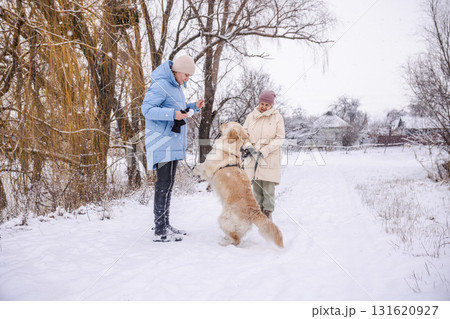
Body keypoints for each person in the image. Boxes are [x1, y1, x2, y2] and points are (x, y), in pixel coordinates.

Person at [141, 55, 205, 242]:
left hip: (172, 142)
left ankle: (165, 224)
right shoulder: (161, 85)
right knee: (162, 185)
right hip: (162, 142)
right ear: (177, 70)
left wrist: (193, 107)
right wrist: (173, 114)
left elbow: (179, 110)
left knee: (168, 184)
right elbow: (147, 109)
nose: (187, 79)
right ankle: (159, 229)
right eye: (186, 74)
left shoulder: (175, 87)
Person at [243, 90, 285, 220]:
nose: (264, 107)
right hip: (253, 155)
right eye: (262, 103)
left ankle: (267, 213)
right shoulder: (251, 116)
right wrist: (248, 146)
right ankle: (258, 212)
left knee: (268, 187)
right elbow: (243, 134)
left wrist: (265, 150)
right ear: (259, 102)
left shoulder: (277, 117)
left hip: (269, 156)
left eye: (267, 105)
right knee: (256, 186)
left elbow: (280, 138)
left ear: (271, 105)